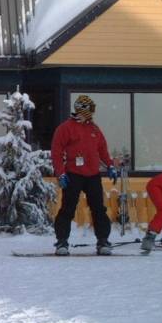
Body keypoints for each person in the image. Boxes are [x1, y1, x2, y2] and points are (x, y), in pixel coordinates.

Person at [51, 95, 118, 256]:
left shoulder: (94, 129)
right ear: (82, 109)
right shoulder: (65, 128)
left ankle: (103, 241)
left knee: (99, 209)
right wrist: (60, 173)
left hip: (93, 175)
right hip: (73, 175)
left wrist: (110, 165)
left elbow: (102, 149)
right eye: (90, 110)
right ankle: (62, 242)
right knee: (67, 209)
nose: (92, 113)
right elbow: (57, 152)